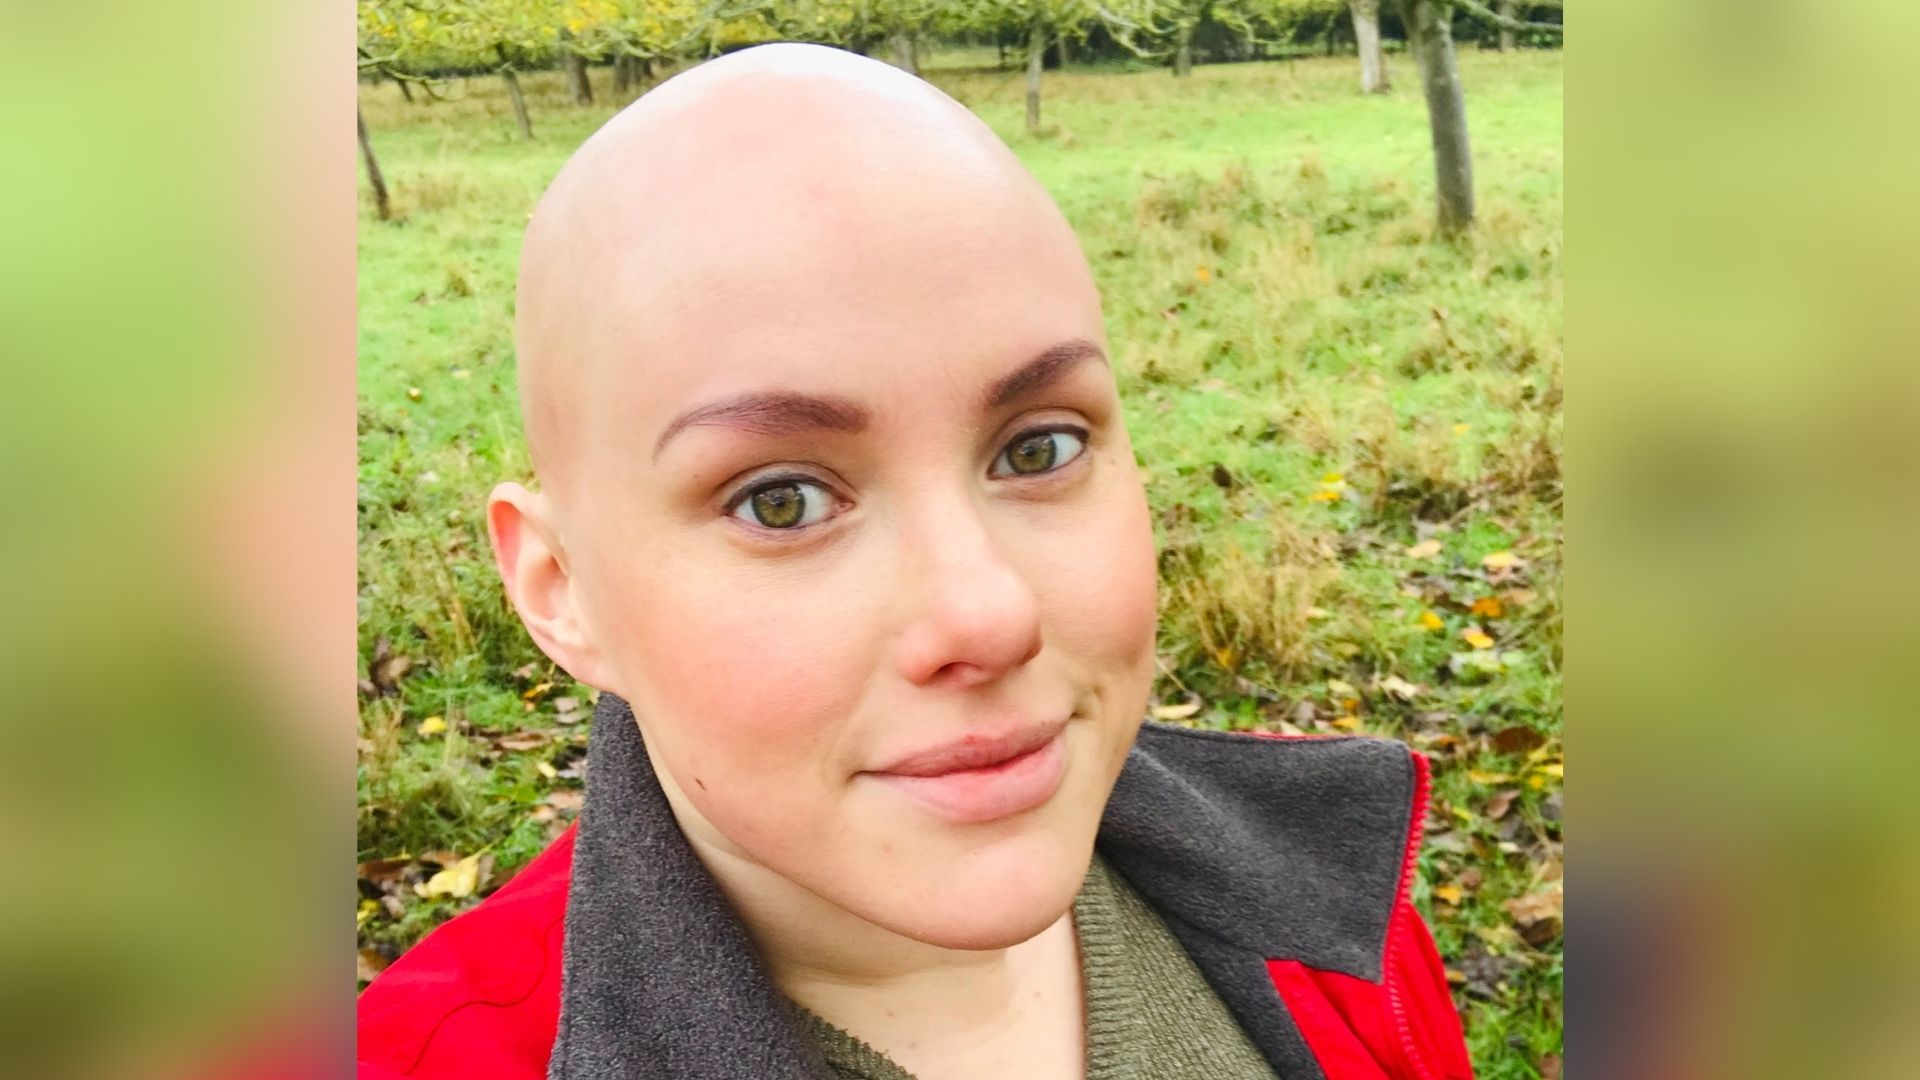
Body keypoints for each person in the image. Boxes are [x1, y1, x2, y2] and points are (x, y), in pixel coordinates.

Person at [356, 42, 1474, 1080]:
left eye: (1039, 448)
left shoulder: (1333, 913)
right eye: (781, 502)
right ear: (562, 592)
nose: (986, 615)